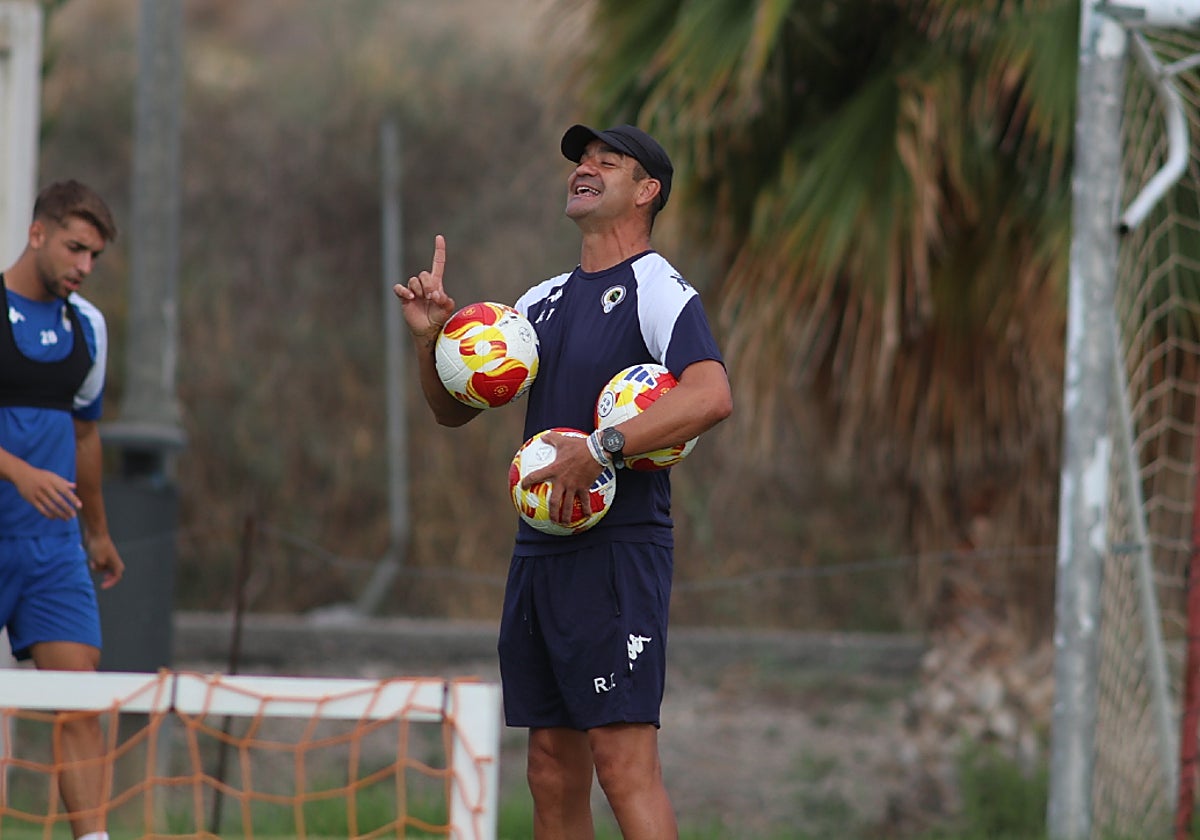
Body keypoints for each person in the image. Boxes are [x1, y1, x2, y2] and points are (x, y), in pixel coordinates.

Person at [396, 124, 733, 839]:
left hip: (619, 556)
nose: (585, 169)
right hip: (538, 552)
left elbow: (709, 396)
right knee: (549, 765)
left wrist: (602, 448)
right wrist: (432, 344)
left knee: (622, 762)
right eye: (581, 162)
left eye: (607, 163)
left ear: (647, 192)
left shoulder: (658, 289)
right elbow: (450, 414)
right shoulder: (540, 301)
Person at [0, 179, 125, 840]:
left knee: (78, 701)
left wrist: (97, 534)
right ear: (37, 233)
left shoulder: (90, 328)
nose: (84, 266)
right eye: (75, 248)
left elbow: (84, 435)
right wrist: (18, 471)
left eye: (95, 256)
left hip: (53, 552)